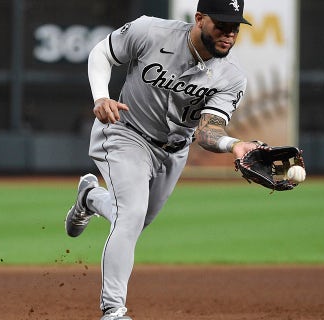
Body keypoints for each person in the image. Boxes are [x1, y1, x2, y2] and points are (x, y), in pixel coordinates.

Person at [65, 1, 261, 319]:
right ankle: (113, 310)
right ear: (199, 19)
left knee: (134, 220)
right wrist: (101, 95)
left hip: (174, 151)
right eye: (222, 24)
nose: (229, 33)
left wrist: (234, 145)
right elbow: (102, 53)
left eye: (235, 26)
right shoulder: (150, 32)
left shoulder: (231, 77)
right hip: (126, 133)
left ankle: (90, 198)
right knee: (131, 214)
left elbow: (207, 133)